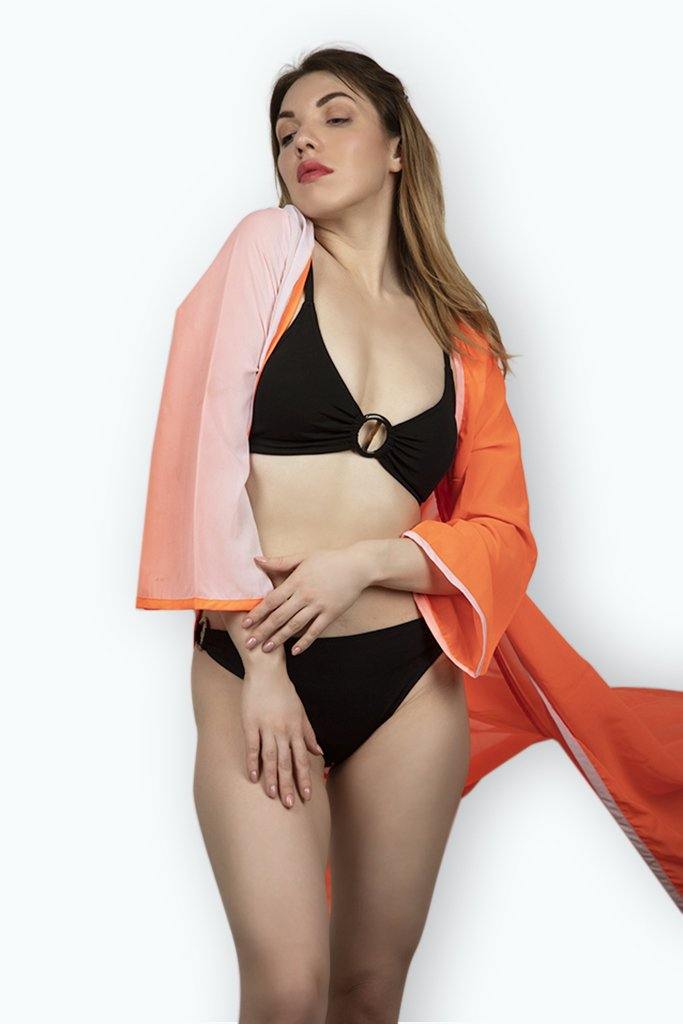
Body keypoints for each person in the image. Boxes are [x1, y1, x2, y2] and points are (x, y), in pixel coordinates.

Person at [136, 46, 683, 1024]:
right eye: (284, 130)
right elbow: (198, 456)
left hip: (407, 683)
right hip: (254, 666)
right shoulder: (267, 253)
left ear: (397, 147)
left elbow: (502, 531)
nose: (301, 139)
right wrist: (262, 671)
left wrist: (366, 563)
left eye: (334, 116)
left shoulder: (459, 331)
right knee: (286, 988)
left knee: (369, 991)